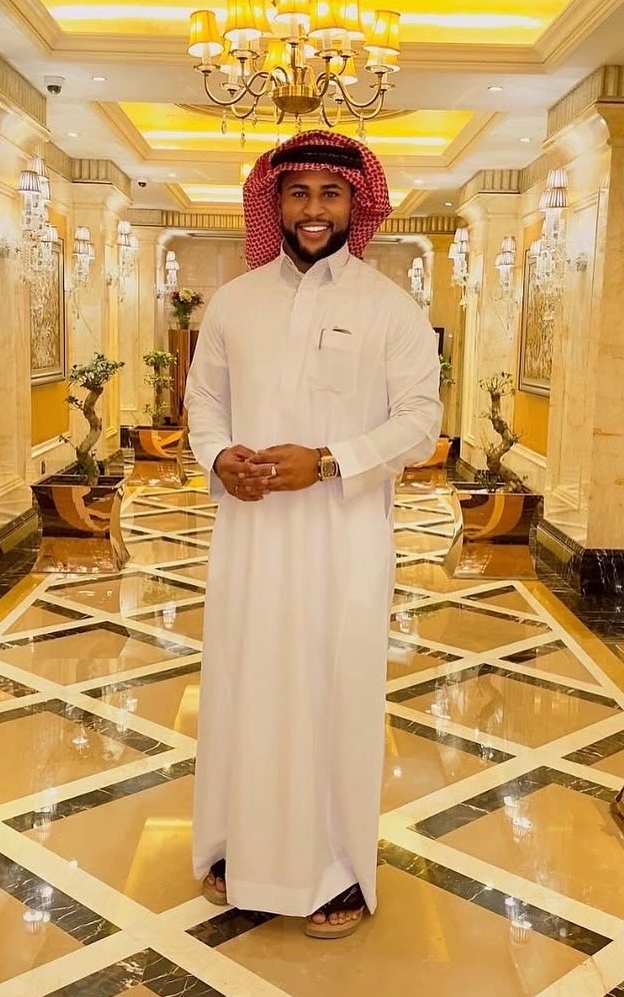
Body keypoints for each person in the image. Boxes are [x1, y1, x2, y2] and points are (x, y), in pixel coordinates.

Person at [184, 130, 443, 939]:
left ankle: (335, 872)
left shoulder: (390, 307)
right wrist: (220, 455)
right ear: (275, 203)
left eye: (330, 194)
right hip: (252, 537)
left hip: (345, 539)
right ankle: (243, 851)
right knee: (244, 683)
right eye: (298, 193)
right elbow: (203, 402)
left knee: (334, 694)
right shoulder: (234, 302)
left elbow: (422, 423)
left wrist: (331, 461)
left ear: (356, 203)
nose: (314, 210)